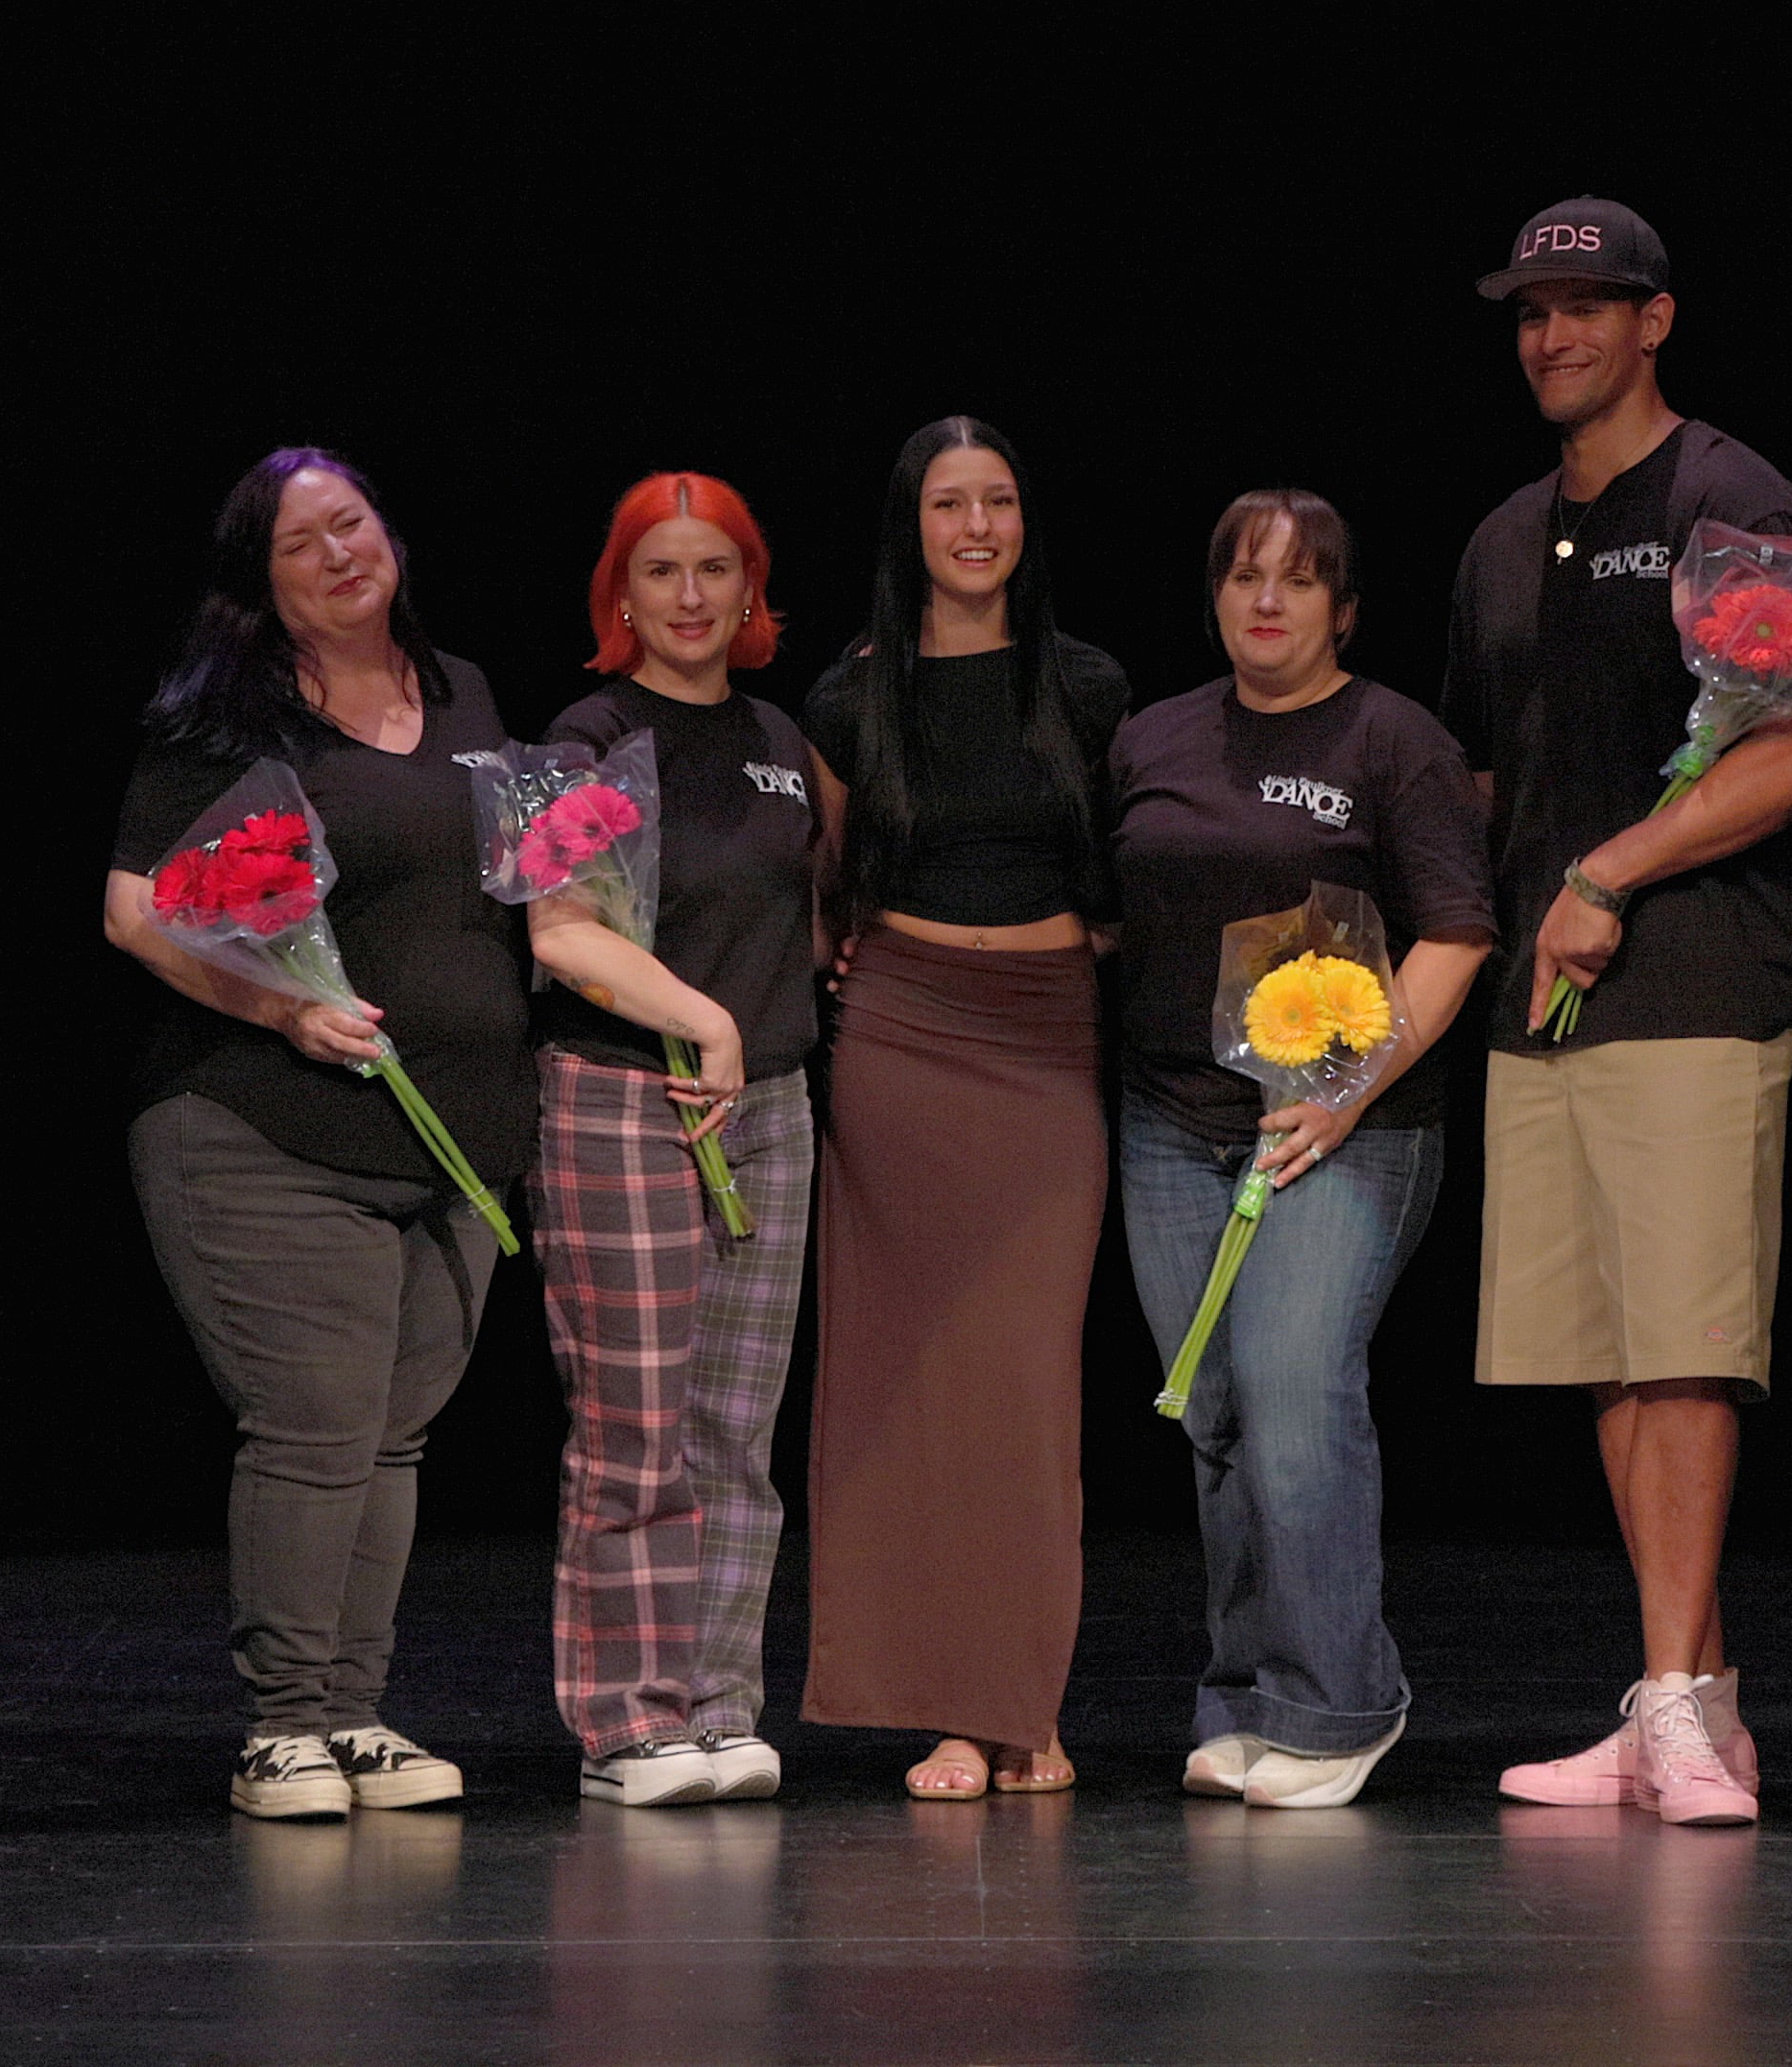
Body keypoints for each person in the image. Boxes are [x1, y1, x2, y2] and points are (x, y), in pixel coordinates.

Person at [1441, 200, 1792, 1827]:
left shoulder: (1726, 497)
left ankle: (1675, 1708)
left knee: (1682, 1353)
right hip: (1546, 1002)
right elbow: (1486, 781)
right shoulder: (1499, 539)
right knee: (1610, 1359)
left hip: (1695, 976)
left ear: (1655, 321)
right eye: (1531, 311)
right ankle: (1693, 1708)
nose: (1553, 336)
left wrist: (1612, 871)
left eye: (1587, 306)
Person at [103, 447, 532, 1818]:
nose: (340, 554)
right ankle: (283, 1725)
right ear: (262, 583)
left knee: (392, 1437)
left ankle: (352, 1711)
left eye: (351, 524)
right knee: (318, 1426)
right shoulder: (227, 717)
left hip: (449, 1141)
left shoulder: (463, 692)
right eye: (303, 544)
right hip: (265, 1131)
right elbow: (135, 908)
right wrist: (280, 1009)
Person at [1108, 491, 1494, 1810]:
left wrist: (1345, 1089)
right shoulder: (1154, 737)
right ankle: (1247, 1694)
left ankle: (1339, 1705)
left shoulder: (1396, 741)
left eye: (1299, 578)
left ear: (1345, 607)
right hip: (1170, 1123)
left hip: (1344, 1131)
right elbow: (1108, 918)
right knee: (1215, 1414)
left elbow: (1455, 933)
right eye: (1244, 575)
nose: (1267, 599)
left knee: (1291, 1394)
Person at [798, 416, 1130, 1799]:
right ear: (911, 527)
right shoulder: (849, 699)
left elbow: (1128, 863)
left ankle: (1020, 1702)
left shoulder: (1088, 684)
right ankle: (953, 1709)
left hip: (1046, 1046)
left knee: (1027, 1393)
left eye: (998, 500)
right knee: (916, 1387)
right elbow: (825, 886)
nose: (977, 526)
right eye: (949, 504)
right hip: (903, 1044)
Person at [526, 473, 823, 1808]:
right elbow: (560, 930)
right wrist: (701, 1019)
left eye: (716, 569)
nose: (691, 596)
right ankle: (628, 1722)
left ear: (751, 587)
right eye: (661, 571)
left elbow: (806, 904)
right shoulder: (586, 737)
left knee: (734, 1433)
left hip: (768, 1110)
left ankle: (719, 1703)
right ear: (622, 595)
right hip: (626, 1097)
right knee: (634, 1426)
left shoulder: (778, 738)